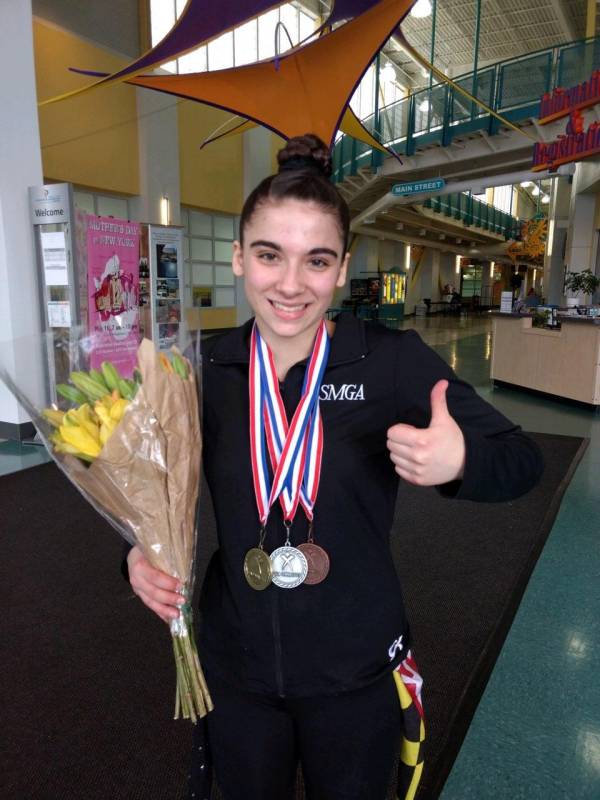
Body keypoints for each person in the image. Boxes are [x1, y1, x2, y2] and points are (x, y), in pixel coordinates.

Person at [126, 133, 543, 800]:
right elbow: (141, 481)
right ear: (240, 258)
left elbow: (523, 462)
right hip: (236, 671)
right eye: (270, 256)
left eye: (315, 261)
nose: (291, 285)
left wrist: (461, 460)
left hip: (355, 673)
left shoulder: (391, 362)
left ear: (343, 268)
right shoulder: (198, 367)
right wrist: (134, 557)